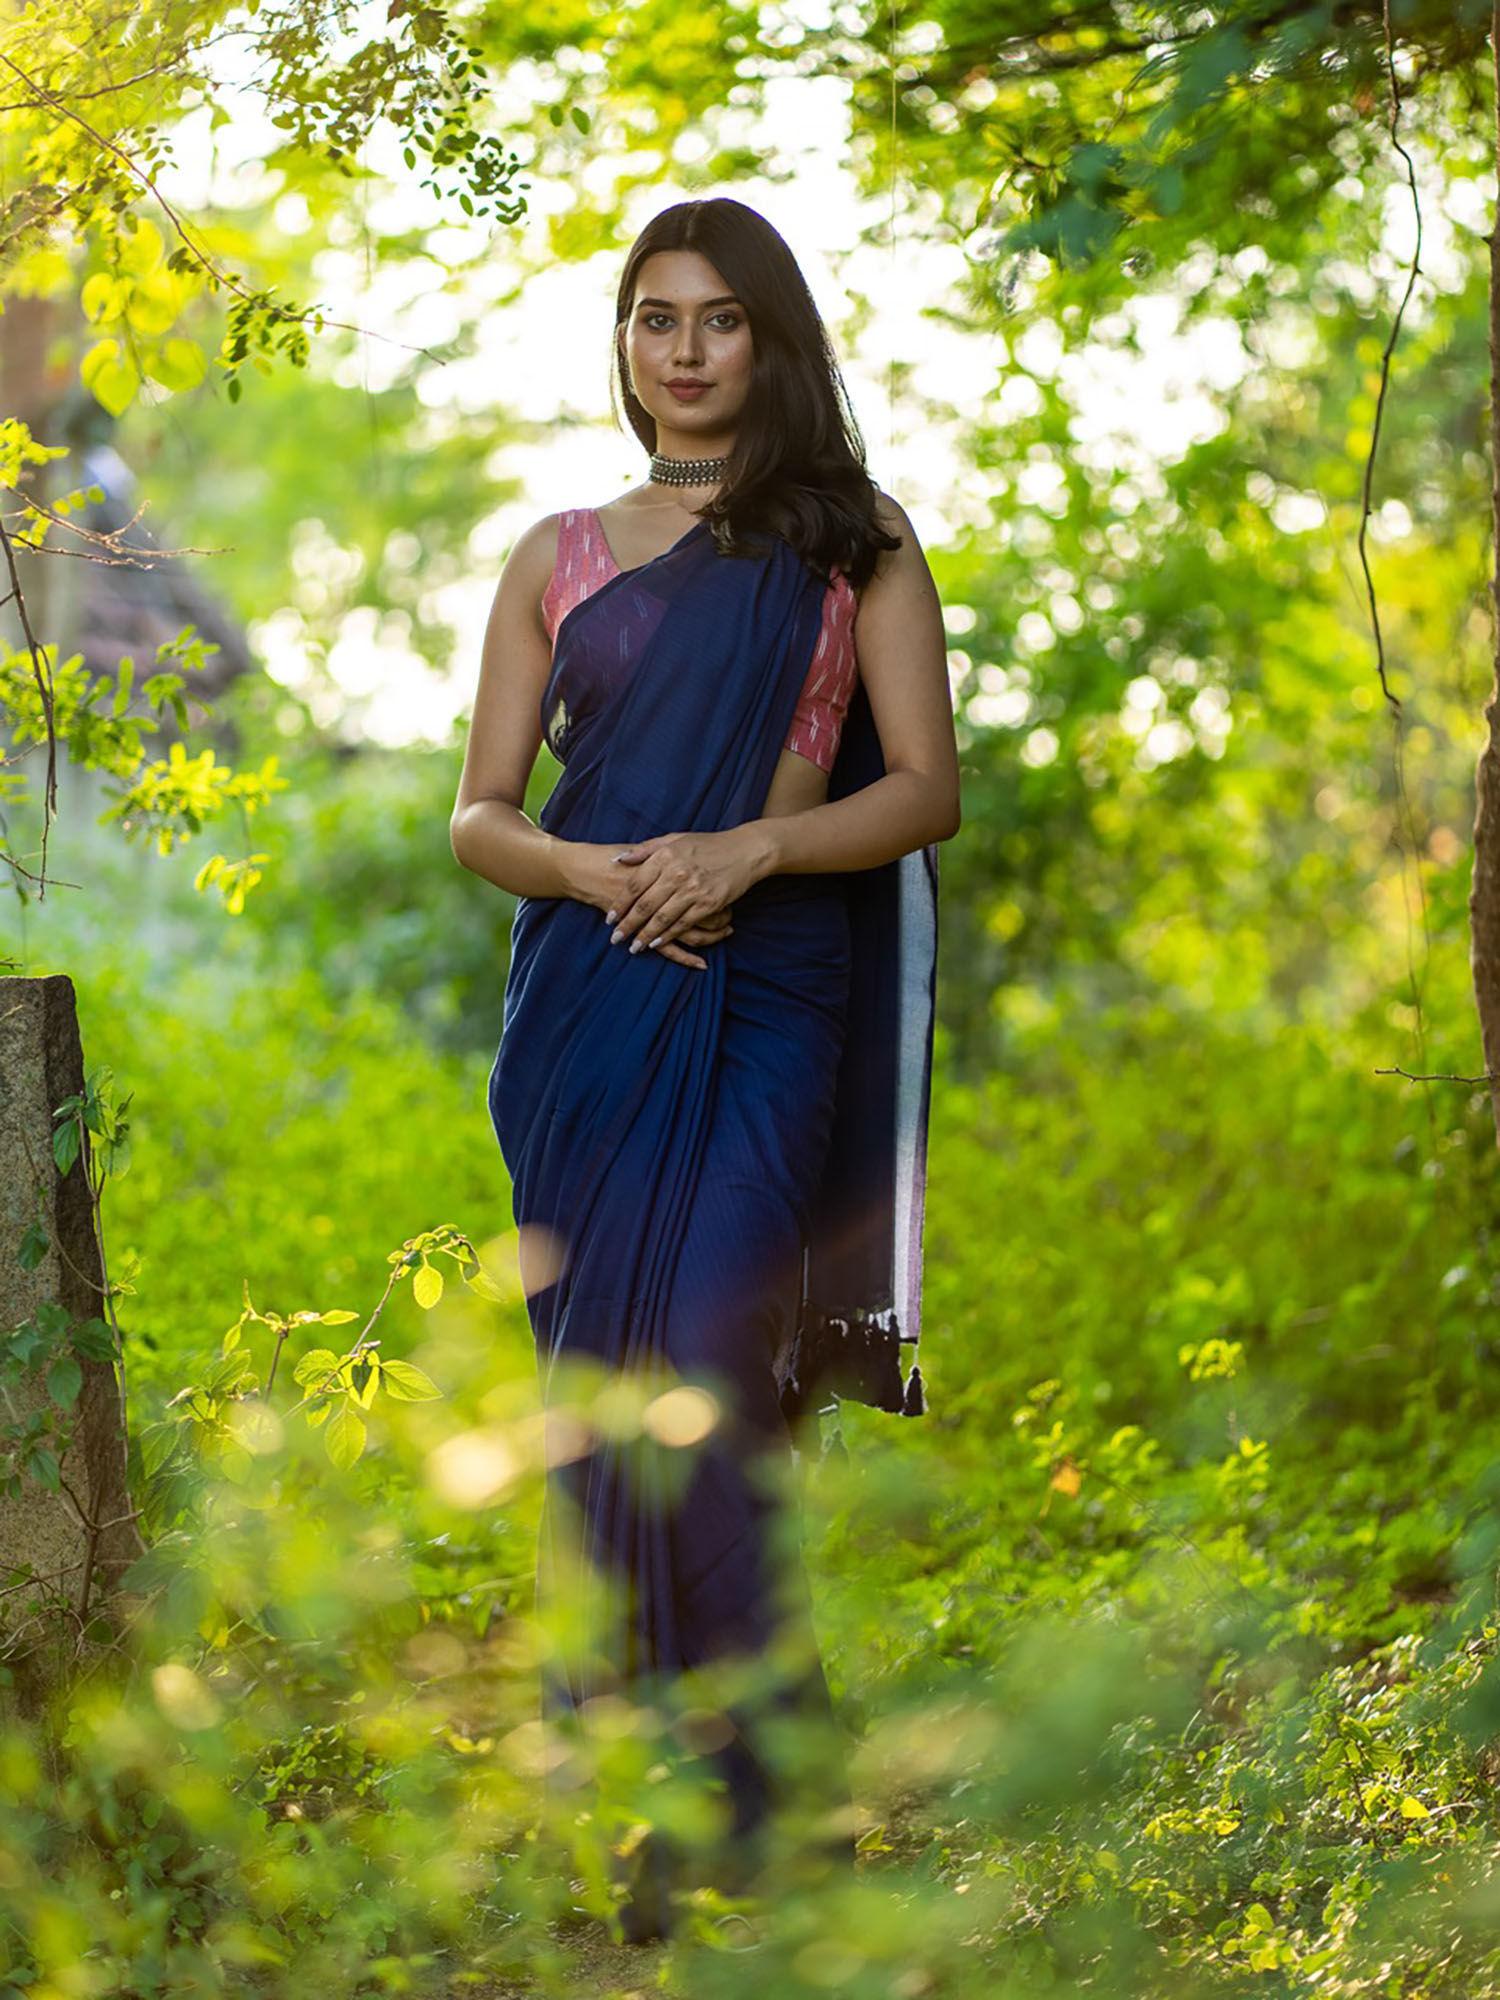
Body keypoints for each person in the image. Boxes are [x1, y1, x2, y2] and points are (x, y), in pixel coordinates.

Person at [450, 195, 960, 1941]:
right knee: (600, 1401)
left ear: (772, 341)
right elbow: (482, 814)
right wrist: (600, 874)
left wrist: (739, 855)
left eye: (718, 320)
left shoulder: (858, 545)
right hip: (589, 1007)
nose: (681, 349)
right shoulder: (559, 553)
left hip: (769, 986)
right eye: (653, 318)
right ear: (625, 345)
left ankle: (772, 1807)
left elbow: (921, 796)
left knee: (711, 1368)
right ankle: (652, 1813)